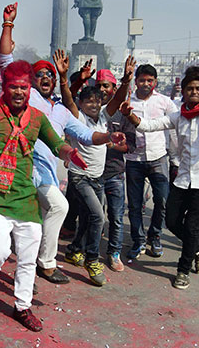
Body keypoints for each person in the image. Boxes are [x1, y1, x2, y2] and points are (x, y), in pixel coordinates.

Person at [0, 59, 88, 332]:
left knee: (27, 257)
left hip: (25, 199)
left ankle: (22, 306)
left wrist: (69, 153)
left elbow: (56, 143)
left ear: (29, 87)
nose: (19, 92)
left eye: (24, 87)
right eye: (14, 87)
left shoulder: (36, 118)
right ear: (4, 87)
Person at [120, 67, 199, 289]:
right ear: (184, 92)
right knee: (172, 221)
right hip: (183, 178)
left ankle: (183, 270)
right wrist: (129, 114)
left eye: (198, 88)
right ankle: (196, 246)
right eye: (189, 89)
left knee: (193, 225)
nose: (194, 92)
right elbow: (149, 126)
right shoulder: (178, 115)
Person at [30, 50, 126, 285]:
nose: (45, 77)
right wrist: (8, 25)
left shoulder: (61, 110)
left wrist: (109, 137)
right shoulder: (28, 96)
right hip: (19, 170)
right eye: (40, 74)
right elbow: (6, 65)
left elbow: (84, 134)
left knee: (54, 214)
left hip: (45, 174)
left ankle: (44, 263)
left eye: (49, 75)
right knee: (56, 211)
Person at [58, 55, 129, 286]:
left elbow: (117, 100)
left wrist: (127, 81)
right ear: (81, 104)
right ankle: (91, 258)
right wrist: (62, 77)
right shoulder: (77, 118)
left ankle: (75, 249)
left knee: (90, 218)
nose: (93, 105)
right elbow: (68, 99)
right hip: (80, 177)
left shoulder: (103, 118)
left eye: (97, 101)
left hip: (98, 178)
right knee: (98, 216)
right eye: (88, 101)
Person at [124, 64, 178, 260]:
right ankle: (138, 241)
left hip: (158, 157)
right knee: (135, 205)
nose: (146, 84)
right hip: (134, 159)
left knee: (162, 201)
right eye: (142, 80)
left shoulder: (165, 103)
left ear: (155, 82)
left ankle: (155, 236)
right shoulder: (127, 102)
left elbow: (173, 131)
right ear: (135, 81)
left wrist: (175, 160)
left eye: (150, 81)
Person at [94, 68, 136, 272]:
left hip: (115, 173)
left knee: (117, 218)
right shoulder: (90, 110)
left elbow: (130, 146)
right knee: (95, 216)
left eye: (106, 86)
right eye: (98, 85)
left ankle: (114, 253)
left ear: (113, 89)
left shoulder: (123, 112)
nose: (101, 89)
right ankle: (90, 252)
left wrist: (110, 145)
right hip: (94, 173)